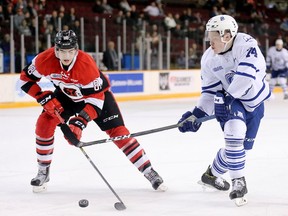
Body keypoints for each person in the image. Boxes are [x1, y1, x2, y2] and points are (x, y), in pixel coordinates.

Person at [19, 30, 166, 193]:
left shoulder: (86, 64)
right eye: (62, 51)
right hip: (67, 96)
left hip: (96, 97)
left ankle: (149, 171)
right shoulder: (44, 59)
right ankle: (43, 171)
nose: (66, 56)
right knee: (44, 123)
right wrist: (43, 97)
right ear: (55, 50)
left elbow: (95, 102)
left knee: (119, 133)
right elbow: (25, 80)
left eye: (70, 51)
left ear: (76, 50)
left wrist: (80, 122)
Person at [177, 15, 270, 206]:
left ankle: (211, 175)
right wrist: (197, 114)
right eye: (208, 37)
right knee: (234, 134)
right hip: (233, 100)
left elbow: (245, 78)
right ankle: (238, 182)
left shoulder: (246, 44)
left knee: (239, 148)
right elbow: (209, 93)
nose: (209, 42)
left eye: (214, 38)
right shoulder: (209, 59)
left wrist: (226, 98)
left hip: (253, 101)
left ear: (227, 35)